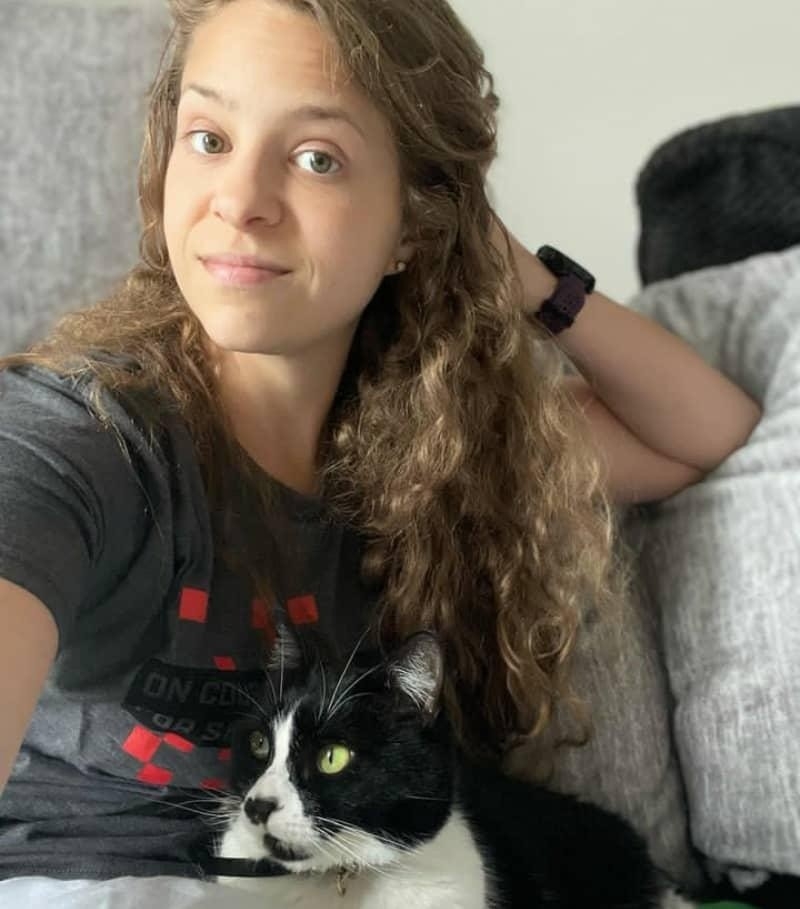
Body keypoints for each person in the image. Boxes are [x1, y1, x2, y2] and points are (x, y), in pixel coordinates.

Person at [0, 0, 761, 892]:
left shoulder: (430, 443)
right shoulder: (73, 440)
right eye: (209, 139)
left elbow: (699, 435)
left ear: (413, 226)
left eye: (316, 157)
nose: (239, 201)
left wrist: (525, 278)